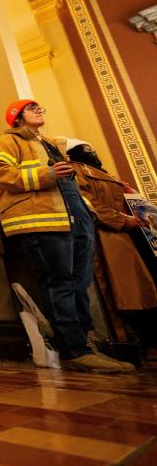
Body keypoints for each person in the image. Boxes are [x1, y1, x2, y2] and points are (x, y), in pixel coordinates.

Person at [0, 100, 133, 373]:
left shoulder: (50, 144)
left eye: (42, 107)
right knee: (60, 284)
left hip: (75, 220)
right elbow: (0, 174)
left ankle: (87, 341)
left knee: (80, 284)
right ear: (17, 117)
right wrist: (47, 173)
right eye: (32, 109)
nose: (40, 111)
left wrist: (88, 212)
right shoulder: (7, 143)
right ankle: (74, 350)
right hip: (44, 221)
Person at [68, 139, 157, 353]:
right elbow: (86, 201)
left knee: (146, 286)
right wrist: (121, 219)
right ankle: (139, 343)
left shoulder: (107, 174)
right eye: (84, 149)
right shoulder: (74, 170)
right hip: (109, 235)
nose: (90, 152)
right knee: (129, 292)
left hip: (136, 235)